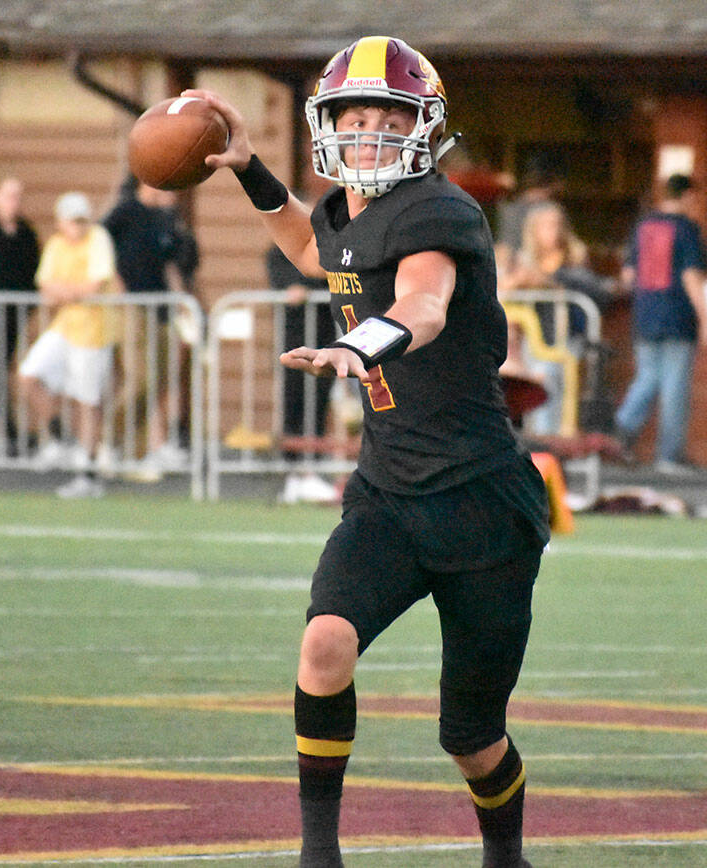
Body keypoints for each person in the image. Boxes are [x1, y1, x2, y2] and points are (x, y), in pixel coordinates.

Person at [188, 35, 548, 868]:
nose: (369, 134)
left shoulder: (439, 212)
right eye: (353, 118)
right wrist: (248, 170)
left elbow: (424, 301)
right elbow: (313, 251)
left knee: (472, 737)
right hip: (388, 492)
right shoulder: (346, 209)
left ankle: (507, 858)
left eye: (388, 119)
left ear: (425, 129)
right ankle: (319, 854)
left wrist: (362, 345)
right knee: (325, 643)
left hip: (481, 501)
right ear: (328, 126)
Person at [16, 191, 121, 499]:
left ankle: (87, 471)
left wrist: (65, 292)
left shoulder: (98, 238)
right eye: (73, 221)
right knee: (28, 375)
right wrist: (73, 293)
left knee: (87, 400)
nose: (78, 226)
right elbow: (45, 288)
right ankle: (60, 437)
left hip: (94, 331)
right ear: (61, 222)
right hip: (65, 326)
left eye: (82, 220)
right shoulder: (56, 245)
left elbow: (93, 287)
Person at [613, 173, 707, 474]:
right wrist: (706, 318)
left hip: (645, 313)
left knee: (647, 377)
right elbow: (691, 276)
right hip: (677, 314)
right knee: (674, 386)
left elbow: (628, 275)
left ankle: (620, 431)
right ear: (687, 196)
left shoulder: (643, 226)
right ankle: (670, 455)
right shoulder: (687, 229)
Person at [103, 178, 200, 478]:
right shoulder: (125, 211)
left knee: (160, 380)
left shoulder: (165, 219)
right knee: (141, 378)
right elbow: (101, 245)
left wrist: (182, 299)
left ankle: (136, 450)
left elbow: (170, 265)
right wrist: (116, 285)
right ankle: (108, 438)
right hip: (133, 305)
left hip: (162, 307)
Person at [498, 200, 607, 435]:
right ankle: (532, 441)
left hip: (566, 339)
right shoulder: (522, 262)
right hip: (528, 343)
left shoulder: (574, 260)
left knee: (547, 374)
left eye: (557, 225)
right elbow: (503, 296)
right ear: (533, 231)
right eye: (546, 226)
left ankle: (548, 442)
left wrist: (550, 282)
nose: (553, 232)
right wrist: (515, 284)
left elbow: (595, 291)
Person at [267, 238, 340, 503]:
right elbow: (283, 285)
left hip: (323, 341)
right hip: (292, 341)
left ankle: (310, 470)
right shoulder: (277, 252)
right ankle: (292, 474)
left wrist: (307, 289)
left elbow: (331, 283)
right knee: (293, 402)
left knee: (319, 403)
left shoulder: (330, 251)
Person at [0, 177, 40, 446]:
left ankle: (5, 426)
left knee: (0, 366)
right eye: (8, 196)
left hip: (15, 312)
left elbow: (33, 269)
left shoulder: (25, 233)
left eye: (17, 197)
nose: (13, 202)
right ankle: (8, 428)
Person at [493, 153, 565, 277]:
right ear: (555, 183)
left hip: (512, 271)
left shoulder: (507, 208)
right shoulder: (550, 209)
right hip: (530, 272)